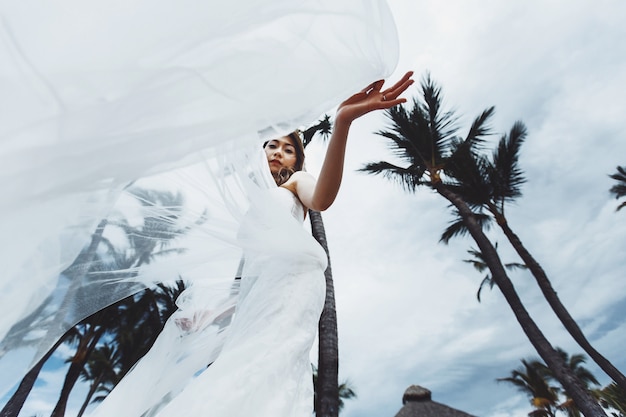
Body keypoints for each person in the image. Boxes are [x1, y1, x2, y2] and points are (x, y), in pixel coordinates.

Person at [84, 72, 414, 417]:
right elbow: (251, 276)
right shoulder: (255, 204)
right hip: (261, 294)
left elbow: (323, 199)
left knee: (269, 361)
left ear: (296, 161)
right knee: (248, 366)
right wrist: (212, 313)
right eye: (273, 145)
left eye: (289, 149)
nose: (280, 152)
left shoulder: (296, 183)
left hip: (295, 283)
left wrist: (343, 121)